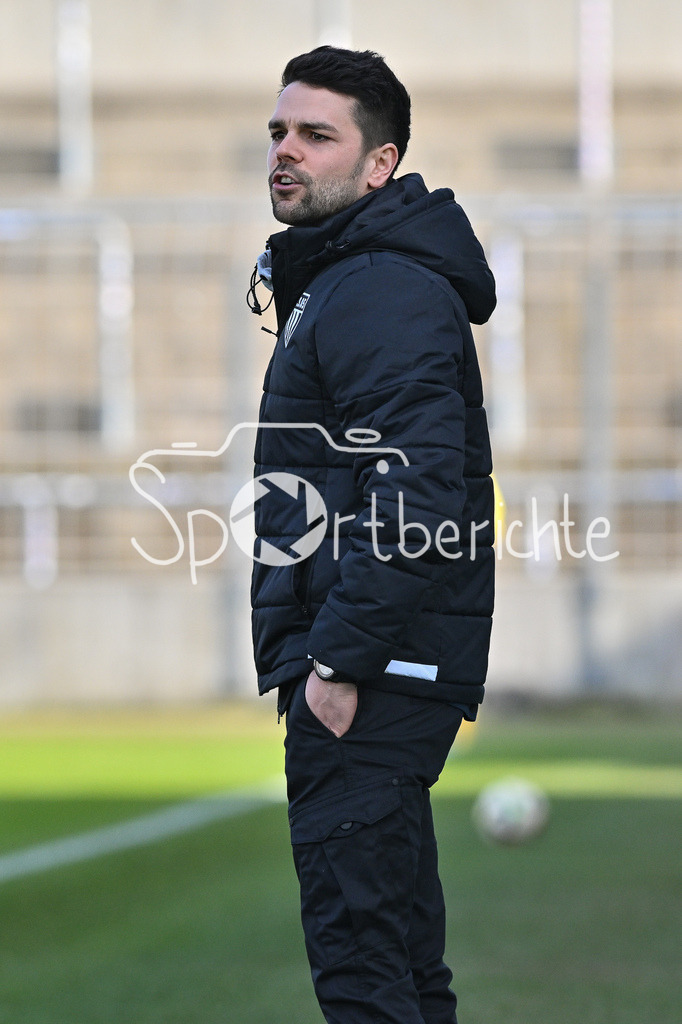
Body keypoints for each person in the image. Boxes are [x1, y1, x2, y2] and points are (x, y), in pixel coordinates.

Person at [247, 45, 496, 1024]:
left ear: (378, 163)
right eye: (278, 131)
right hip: (383, 670)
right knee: (398, 969)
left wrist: (338, 661)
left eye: (316, 135)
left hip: (370, 674)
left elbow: (417, 492)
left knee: (363, 978)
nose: (287, 152)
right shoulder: (350, 279)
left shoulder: (379, 288)